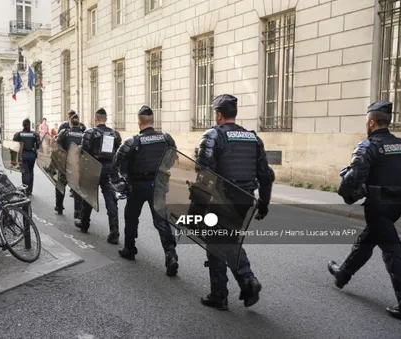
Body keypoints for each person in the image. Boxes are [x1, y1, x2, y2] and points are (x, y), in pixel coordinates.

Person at [329, 100, 401, 323]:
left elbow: (353, 180)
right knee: (367, 240)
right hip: (396, 206)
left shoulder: (367, 146)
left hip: (377, 207)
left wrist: (346, 189)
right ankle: (343, 274)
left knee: (392, 251)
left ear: (371, 122)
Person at [196, 94, 274, 310]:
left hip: (220, 199)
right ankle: (247, 283)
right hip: (246, 199)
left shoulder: (213, 135)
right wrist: (264, 202)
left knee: (215, 243)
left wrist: (197, 207)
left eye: (215, 114)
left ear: (219, 114)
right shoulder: (253, 138)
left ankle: (221, 294)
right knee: (228, 240)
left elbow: (204, 174)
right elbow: (266, 175)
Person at [113, 105, 180, 276]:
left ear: (139, 122)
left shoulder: (133, 142)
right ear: (153, 121)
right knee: (161, 221)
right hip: (159, 184)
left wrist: (124, 178)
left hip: (138, 185)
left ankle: (129, 248)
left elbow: (117, 162)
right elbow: (173, 158)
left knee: (131, 216)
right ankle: (170, 254)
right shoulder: (166, 138)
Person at [74, 108, 122, 244]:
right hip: (109, 171)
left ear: (95, 119)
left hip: (93, 169)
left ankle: (84, 224)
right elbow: (117, 152)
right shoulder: (115, 134)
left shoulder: (90, 132)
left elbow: (82, 152)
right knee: (111, 200)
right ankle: (114, 232)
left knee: (88, 197)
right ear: (105, 119)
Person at [55, 113, 84, 219]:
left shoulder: (65, 133)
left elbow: (57, 146)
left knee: (61, 185)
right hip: (77, 165)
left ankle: (59, 206)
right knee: (77, 188)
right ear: (79, 123)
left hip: (65, 164)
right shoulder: (83, 134)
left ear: (70, 123)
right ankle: (77, 211)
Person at [13, 118, 41, 196]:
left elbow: (14, 144)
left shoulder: (18, 134)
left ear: (23, 125)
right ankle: (30, 190)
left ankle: (25, 190)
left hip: (23, 155)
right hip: (32, 155)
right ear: (29, 125)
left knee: (25, 172)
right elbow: (39, 145)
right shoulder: (34, 134)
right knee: (31, 172)